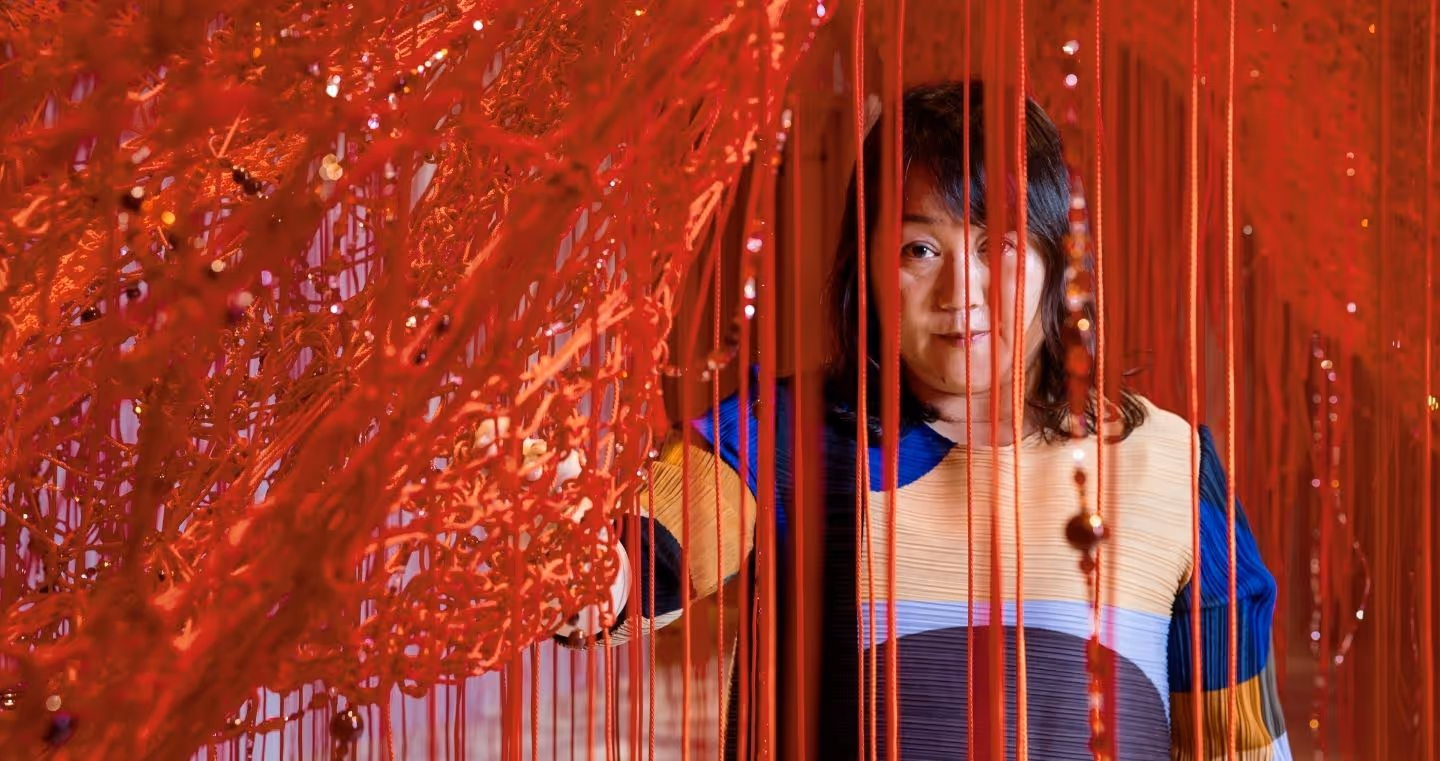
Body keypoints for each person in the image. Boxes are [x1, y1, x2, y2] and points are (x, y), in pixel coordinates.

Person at [548, 81, 1290, 760]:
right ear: (865, 267)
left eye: (995, 245)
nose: (958, 290)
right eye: (920, 248)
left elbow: (1241, 740)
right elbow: (653, 553)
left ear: (1054, 262)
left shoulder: (1171, 464)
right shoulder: (786, 436)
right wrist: (584, 569)